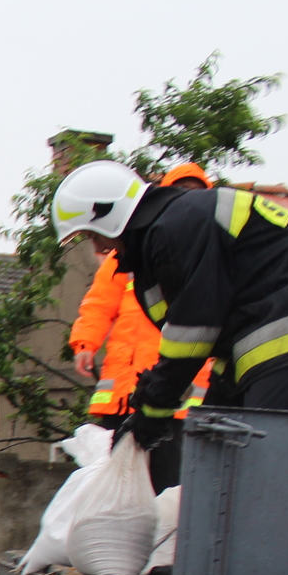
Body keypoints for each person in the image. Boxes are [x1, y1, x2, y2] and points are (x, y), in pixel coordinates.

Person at [52, 159, 288, 448]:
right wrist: (153, 402)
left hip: (284, 327)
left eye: (93, 234)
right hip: (251, 334)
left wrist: (155, 405)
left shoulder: (175, 228)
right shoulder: (164, 233)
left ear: (110, 215)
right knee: (217, 443)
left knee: (268, 452)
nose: (98, 246)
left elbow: (193, 329)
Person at [67, 164, 216, 492]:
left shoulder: (201, 251)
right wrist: (85, 343)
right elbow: (98, 303)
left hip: (176, 400)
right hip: (122, 394)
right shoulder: (126, 255)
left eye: (197, 192)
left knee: (165, 485)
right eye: (184, 190)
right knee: (113, 483)